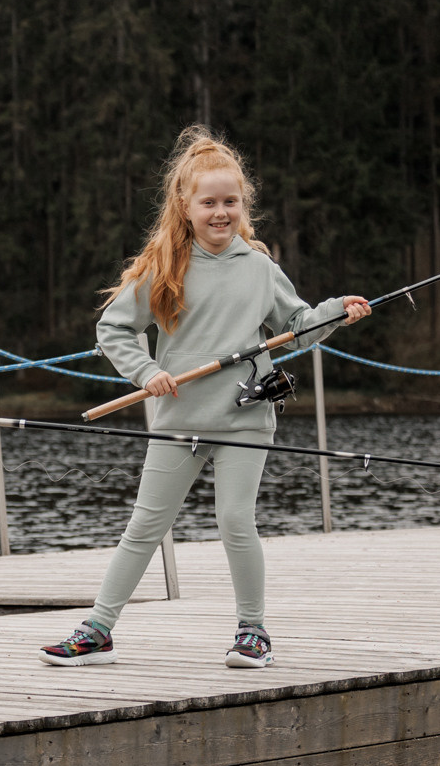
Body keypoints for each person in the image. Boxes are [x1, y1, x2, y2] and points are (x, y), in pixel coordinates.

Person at [39, 127, 370, 670]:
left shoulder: (260, 268)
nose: (221, 213)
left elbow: (299, 327)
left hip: (247, 416)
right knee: (145, 524)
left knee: (236, 521)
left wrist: (336, 311)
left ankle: (253, 633)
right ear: (185, 206)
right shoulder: (164, 265)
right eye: (209, 202)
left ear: (244, 205)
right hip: (179, 417)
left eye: (231, 202)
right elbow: (115, 330)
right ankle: (98, 629)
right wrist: (147, 372)